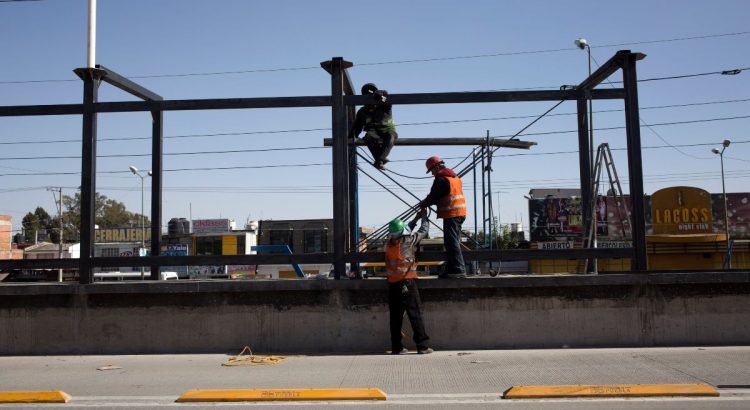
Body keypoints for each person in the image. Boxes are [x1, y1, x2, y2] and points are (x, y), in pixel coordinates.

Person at [385, 210, 433, 355]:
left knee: (395, 317)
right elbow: (423, 231)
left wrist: (415, 218)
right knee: (415, 314)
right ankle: (422, 346)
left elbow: (405, 230)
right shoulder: (409, 242)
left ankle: (397, 347)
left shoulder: (389, 245)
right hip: (407, 283)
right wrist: (424, 218)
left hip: (393, 285)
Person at [419, 156, 466, 278]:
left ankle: (458, 269)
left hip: (452, 214)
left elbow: (434, 196)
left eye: (432, 171)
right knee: (452, 242)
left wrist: (423, 204)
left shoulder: (441, 179)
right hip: (460, 213)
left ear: (437, 167)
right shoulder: (455, 178)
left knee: (452, 243)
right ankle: (451, 268)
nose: (432, 173)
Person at [348, 83, 398, 170]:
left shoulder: (384, 106)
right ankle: (379, 161)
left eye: (371, 94)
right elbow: (357, 127)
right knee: (368, 137)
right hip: (373, 133)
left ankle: (379, 160)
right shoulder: (362, 111)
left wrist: (382, 93)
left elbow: (387, 100)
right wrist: (349, 139)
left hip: (387, 131)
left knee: (390, 136)